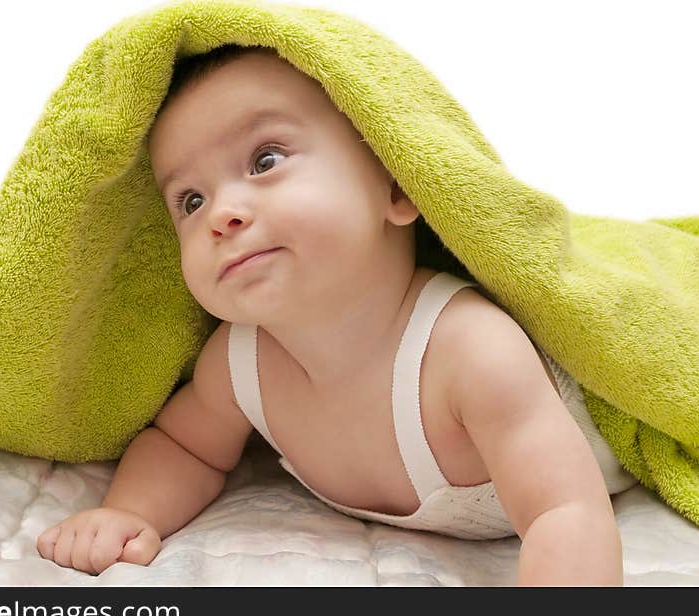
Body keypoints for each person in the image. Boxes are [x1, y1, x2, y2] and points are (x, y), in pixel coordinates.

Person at [36, 44, 637, 585]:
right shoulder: (240, 361)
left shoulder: (468, 351)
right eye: (190, 200)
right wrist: (128, 511)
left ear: (397, 188)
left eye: (265, 160)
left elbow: (565, 512)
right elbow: (185, 447)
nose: (223, 212)